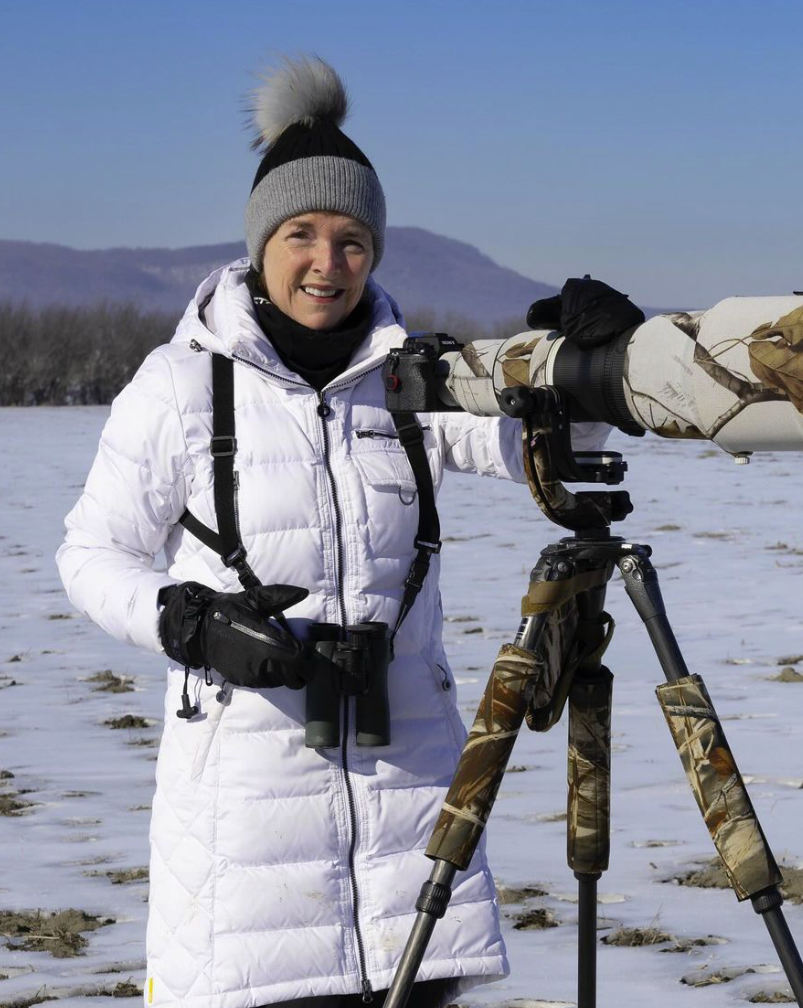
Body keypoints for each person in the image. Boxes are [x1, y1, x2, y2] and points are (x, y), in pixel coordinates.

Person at [57, 56, 608, 1008]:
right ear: (261, 241)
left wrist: (589, 365)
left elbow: (548, 448)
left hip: (412, 824)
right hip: (247, 841)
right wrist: (191, 624)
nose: (327, 262)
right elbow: (88, 556)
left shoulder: (417, 380)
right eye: (302, 234)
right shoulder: (183, 385)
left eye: (352, 239)